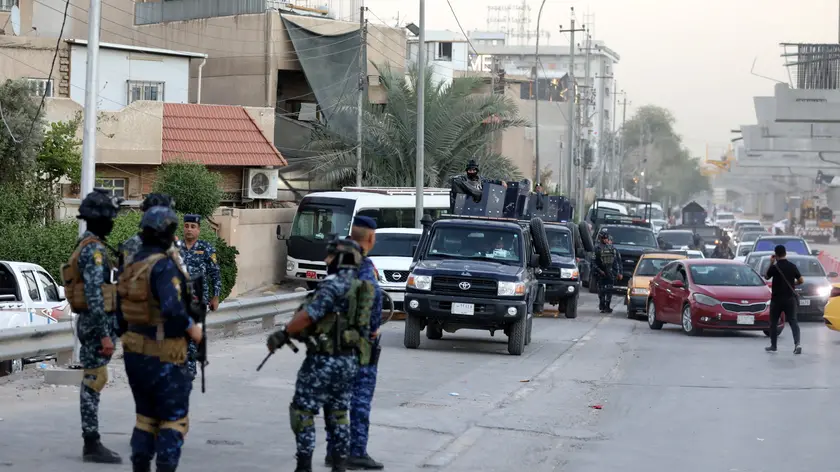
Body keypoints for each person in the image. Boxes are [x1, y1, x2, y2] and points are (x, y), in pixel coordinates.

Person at [266, 238, 375, 472]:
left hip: (323, 360)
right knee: (338, 413)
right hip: (348, 361)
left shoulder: (333, 285)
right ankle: (339, 466)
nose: (326, 260)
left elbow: (309, 316)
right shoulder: (360, 287)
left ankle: (304, 467)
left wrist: (284, 333)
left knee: (302, 410)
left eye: (330, 256)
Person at [118, 206, 204, 472]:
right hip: (163, 354)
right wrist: (193, 329)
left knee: (145, 419)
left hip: (134, 353)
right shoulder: (163, 265)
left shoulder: (131, 265)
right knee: (172, 421)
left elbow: (118, 313)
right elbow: (172, 309)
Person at [61, 189, 123, 464]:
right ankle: (91, 442)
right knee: (94, 380)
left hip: (90, 322)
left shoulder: (85, 244)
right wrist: (104, 335)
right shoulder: (94, 251)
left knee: (95, 378)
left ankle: (92, 439)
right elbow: (96, 294)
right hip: (95, 324)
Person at [325, 216, 384, 470]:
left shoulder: (336, 261)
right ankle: (356, 451)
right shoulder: (364, 264)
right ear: (371, 238)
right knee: (359, 399)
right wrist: (373, 329)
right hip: (358, 345)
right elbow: (372, 297)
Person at [180, 214, 222, 378]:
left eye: (192, 226)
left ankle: (189, 369)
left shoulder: (206, 249)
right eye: (187, 226)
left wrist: (216, 296)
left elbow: (215, 274)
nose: (189, 229)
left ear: (198, 229)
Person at [764, 244, 804, 354]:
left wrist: (771, 262)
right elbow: (801, 280)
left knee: (773, 322)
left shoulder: (775, 267)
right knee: (793, 321)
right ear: (785, 253)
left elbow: (766, 276)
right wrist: (793, 283)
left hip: (777, 300)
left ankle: (773, 345)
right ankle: (797, 344)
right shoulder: (792, 266)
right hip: (790, 299)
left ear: (776, 254)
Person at [593, 229, 622, 313]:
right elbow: (594, 262)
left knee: (608, 290)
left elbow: (618, 261)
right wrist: (599, 271)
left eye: (606, 238)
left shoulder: (613, 249)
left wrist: (619, 272)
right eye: (604, 238)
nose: (605, 240)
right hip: (601, 273)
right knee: (602, 290)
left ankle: (607, 306)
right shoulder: (597, 249)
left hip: (610, 272)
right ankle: (603, 305)